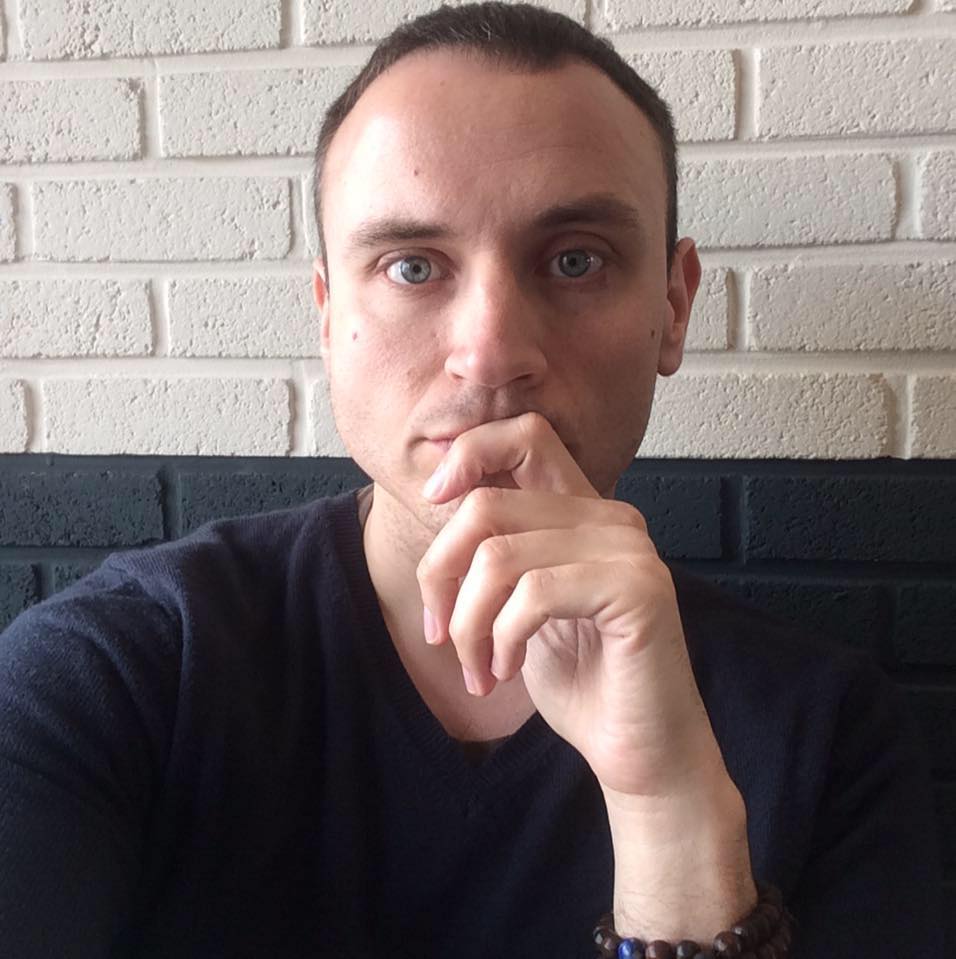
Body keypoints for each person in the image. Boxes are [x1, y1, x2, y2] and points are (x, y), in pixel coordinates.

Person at [0, 3, 944, 957]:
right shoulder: (113, 675)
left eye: (575, 260)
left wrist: (668, 808)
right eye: (412, 266)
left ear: (672, 303)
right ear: (326, 315)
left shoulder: (829, 733)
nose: (490, 353)